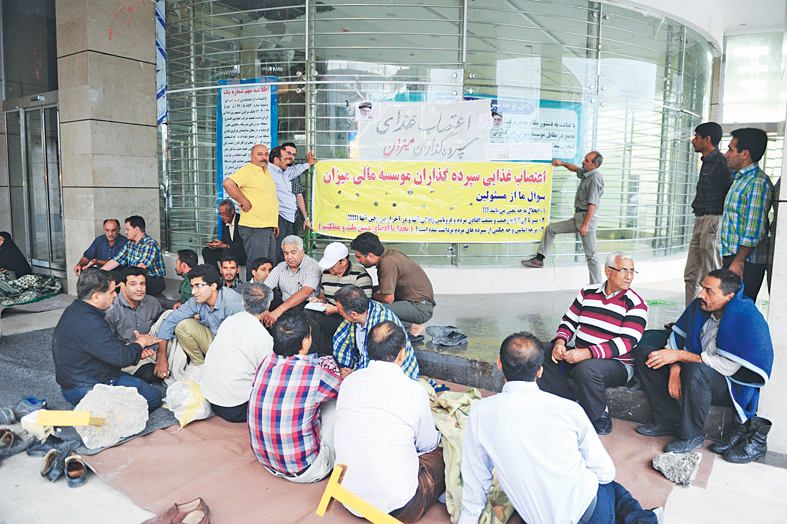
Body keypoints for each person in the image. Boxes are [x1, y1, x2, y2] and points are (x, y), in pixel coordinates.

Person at [458, 332, 661, 524]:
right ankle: (645, 519)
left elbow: (476, 478)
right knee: (613, 488)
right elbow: (605, 472)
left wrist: (468, 517)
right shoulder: (568, 410)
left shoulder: (479, 413)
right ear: (540, 370)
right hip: (592, 515)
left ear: (499, 364)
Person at [634, 269, 773, 460]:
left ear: (729, 297)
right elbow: (675, 341)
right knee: (646, 354)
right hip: (692, 373)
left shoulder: (745, 317)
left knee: (696, 370)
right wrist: (675, 370)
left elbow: (726, 367)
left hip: (727, 385)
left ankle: (691, 436)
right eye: (702, 288)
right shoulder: (701, 306)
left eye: (709, 291)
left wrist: (679, 356)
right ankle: (666, 420)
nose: (700, 294)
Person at [334, 321, 444, 523]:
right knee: (443, 452)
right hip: (399, 509)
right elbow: (427, 445)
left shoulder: (348, 382)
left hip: (347, 498)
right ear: (402, 354)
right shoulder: (414, 390)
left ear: (368, 349)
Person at [537, 252, 648, 434]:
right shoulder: (587, 292)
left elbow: (627, 342)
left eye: (632, 271)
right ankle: (567, 402)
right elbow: (569, 321)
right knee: (540, 350)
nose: (629, 276)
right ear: (608, 271)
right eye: (623, 270)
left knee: (587, 368)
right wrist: (560, 343)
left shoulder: (636, 303)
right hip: (580, 356)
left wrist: (587, 353)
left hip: (617, 365)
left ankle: (599, 415)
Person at [248, 311, 341, 483]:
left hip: (265, 460)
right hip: (306, 469)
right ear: (305, 342)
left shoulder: (265, 363)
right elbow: (343, 391)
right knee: (335, 404)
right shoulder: (316, 375)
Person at [51, 268, 162, 410]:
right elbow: (121, 358)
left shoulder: (75, 310)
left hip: (76, 380)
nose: (116, 295)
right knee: (153, 397)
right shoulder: (92, 323)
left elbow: (106, 347)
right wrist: (141, 342)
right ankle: (101, 411)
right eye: (112, 292)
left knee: (140, 381)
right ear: (96, 297)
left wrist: (134, 349)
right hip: (86, 386)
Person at [522, 151, 605, 284]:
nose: (583, 162)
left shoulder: (595, 179)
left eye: (587, 161)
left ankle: (596, 287)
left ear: (595, 165)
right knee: (551, 229)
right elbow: (574, 168)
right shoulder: (586, 173)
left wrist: (585, 225)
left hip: (586, 220)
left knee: (592, 256)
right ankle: (539, 259)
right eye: (584, 159)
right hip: (578, 218)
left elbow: (593, 205)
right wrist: (561, 163)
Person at [201, 281, 274, 423]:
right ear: (268, 306)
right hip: (235, 408)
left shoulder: (229, 321)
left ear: (243, 302)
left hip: (211, 397)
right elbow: (267, 379)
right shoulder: (264, 339)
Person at [683, 123, 734, 306]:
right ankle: (691, 316)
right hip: (700, 219)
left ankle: (712, 316)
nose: (693, 141)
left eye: (697, 137)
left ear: (707, 139)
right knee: (690, 276)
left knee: (711, 276)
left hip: (713, 221)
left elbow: (730, 194)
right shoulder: (706, 161)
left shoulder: (721, 162)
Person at [721, 127, 774, 301]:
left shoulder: (757, 182)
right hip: (734, 258)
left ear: (744, 154)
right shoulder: (741, 179)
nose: (727, 154)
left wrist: (738, 261)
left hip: (746, 262)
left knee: (737, 310)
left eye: (730, 149)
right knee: (727, 309)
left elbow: (754, 229)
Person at [351, 232, 435, 338]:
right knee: (370, 292)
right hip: (414, 302)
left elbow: (388, 299)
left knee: (370, 310)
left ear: (370, 256)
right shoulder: (389, 253)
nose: (357, 260)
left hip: (420, 308)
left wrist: (375, 295)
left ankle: (411, 327)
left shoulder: (388, 262)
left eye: (359, 257)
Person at [155, 264, 243, 365]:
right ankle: (199, 365)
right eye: (192, 286)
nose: (193, 292)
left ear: (213, 286)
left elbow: (241, 341)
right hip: (215, 342)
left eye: (198, 286)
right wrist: (161, 357)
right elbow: (170, 320)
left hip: (234, 351)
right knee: (182, 326)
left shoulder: (232, 304)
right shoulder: (196, 301)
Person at [332, 285, 419, 380]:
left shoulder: (381, 326)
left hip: (392, 375)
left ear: (354, 314)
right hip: (367, 366)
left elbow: (374, 364)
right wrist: (344, 366)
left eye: (340, 312)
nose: (339, 313)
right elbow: (340, 339)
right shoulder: (360, 313)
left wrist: (352, 376)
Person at [305, 242, 373, 355]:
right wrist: (319, 301)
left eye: (332, 264)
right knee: (309, 312)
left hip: (350, 317)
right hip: (330, 315)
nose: (329, 267)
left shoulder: (360, 275)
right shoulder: (326, 273)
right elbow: (323, 295)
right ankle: (312, 351)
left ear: (344, 261)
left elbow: (365, 306)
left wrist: (336, 309)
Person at [104, 267, 169, 383]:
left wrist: (161, 354)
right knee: (150, 374)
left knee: (171, 316)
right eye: (133, 284)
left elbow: (163, 323)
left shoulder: (152, 302)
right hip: (127, 353)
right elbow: (107, 343)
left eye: (142, 284)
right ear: (123, 286)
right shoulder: (112, 308)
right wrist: (134, 346)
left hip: (153, 349)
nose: (139, 289)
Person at [221, 144, 280, 265]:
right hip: (254, 227)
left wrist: (274, 223)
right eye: (260, 154)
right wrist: (244, 201)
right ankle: (252, 280)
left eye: (266, 154)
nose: (264, 157)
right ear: (251, 156)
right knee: (257, 265)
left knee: (269, 265)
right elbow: (227, 183)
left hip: (267, 226)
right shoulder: (247, 171)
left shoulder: (266, 171)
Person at [268, 146, 318, 264]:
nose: (289, 160)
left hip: (290, 217)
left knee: (287, 250)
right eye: (286, 158)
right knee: (277, 252)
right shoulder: (267, 172)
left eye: (293, 155)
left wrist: (308, 164)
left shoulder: (285, 172)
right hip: (279, 217)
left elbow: (296, 170)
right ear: (276, 160)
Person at [262, 235, 322, 327]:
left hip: (304, 307)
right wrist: (264, 309)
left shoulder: (313, 267)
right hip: (284, 306)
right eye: (286, 253)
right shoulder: (281, 267)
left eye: (293, 252)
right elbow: (264, 288)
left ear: (302, 252)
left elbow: (304, 293)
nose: (289, 257)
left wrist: (278, 311)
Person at [101, 215, 167, 295]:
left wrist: (125, 280)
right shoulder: (130, 244)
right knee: (110, 275)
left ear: (136, 229)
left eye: (127, 229)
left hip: (153, 280)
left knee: (124, 281)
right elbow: (116, 261)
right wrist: (98, 273)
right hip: (134, 277)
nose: (125, 232)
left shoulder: (150, 244)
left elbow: (141, 267)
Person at [202, 199, 247, 273]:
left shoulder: (241, 221)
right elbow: (225, 240)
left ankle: (232, 278)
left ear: (232, 211)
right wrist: (216, 244)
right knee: (206, 251)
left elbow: (242, 244)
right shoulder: (224, 223)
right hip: (228, 251)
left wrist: (225, 246)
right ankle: (216, 276)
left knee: (227, 253)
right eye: (220, 214)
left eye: (224, 214)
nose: (222, 217)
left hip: (242, 253)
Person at [282, 142, 313, 234]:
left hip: (292, 217)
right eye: (288, 153)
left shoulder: (294, 172)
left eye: (293, 154)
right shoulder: (272, 171)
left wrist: (306, 218)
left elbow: (298, 195)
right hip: (279, 217)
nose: (291, 156)